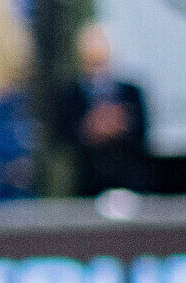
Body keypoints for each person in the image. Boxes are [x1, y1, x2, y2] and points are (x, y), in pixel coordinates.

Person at [53, 23, 156, 195]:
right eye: (92, 63)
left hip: (129, 182)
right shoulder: (71, 96)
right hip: (89, 184)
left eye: (102, 62)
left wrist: (120, 125)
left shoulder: (131, 93)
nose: (98, 72)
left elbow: (144, 135)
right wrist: (89, 129)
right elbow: (61, 136)